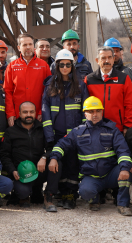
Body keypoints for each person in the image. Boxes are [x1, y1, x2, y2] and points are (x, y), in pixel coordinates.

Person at [49, 96, 132, 215]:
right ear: (85, 114)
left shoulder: (112, 130)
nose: (95, 114)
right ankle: (94, 199)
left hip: (111, 174)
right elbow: (61, 145)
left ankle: (123, 204)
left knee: (127, 170)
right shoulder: (77, 132)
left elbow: (123, 151)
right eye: (91, 111)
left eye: (98, 111)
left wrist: (124, 168)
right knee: (85, 191)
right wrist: (54, 158)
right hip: (91, 176)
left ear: (102, 112)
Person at [41, 49, 88, 209]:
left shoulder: (80, 85)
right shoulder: (50, 86)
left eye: (68, 65)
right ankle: (60, 193)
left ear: (72, 66)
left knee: (72, 164)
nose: (65, 68)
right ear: (57, 66)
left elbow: (85, 111)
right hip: (56, 135)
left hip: (74, 135)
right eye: (62, 65)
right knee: (59, 163)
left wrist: (82, 133)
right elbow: (46, 114)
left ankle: (70, 195)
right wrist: (49, 137)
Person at [0, 101, 59, 211]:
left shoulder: (42, 129)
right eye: (25, 112)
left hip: (39, 170)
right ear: (19, 114)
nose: (28, 115)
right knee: (23, 192)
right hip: (21, 174)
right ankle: (24, 196)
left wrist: (44, 157)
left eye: (31, 112)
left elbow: (51, 148)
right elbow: (4, 155)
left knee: (56, 162)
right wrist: (12, 170)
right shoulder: (11, 131)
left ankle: (48, 197)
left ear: (36, 113)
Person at [85, 46, 132, 132]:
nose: (107, 61)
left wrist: (127, 126)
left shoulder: (124, 78)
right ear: (97, 60)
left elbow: (130, 104)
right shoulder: (89, 79)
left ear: (113, 59)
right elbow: (85, 105)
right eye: (103, 58)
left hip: (117, 128)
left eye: (109, 57)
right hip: (95, 129)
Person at [4, 33, 50, 127]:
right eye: (24, 45)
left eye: (30, 44)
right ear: (19, 47)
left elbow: (48, 91)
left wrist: (42, 111)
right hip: (18, 117)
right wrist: (10, 113)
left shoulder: (44, 66)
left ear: (34, 46)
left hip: (38, 116)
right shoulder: (12, 66)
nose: (28, 47)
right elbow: (7, 91)